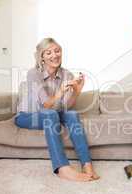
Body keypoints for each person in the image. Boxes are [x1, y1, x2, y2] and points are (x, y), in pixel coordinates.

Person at [15, 38, 99, 182]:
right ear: (42, 57)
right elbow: (46, 105)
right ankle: (62, 168)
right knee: (50, 113)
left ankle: (87, 164)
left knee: (72, 114)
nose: (55, 55)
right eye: (48, 52)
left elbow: (66, 106)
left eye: (57, 51)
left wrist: (77, 92)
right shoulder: (33, 74)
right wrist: (60, 92)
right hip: (27, 116)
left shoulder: (66, 74)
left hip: (51, 114)